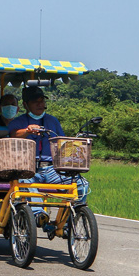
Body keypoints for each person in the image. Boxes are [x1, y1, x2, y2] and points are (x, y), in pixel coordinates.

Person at [8, 86, 89, 229]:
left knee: (82, 184)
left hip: (51, 169)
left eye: (42, 101)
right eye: (35, 102)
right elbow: (14, 134)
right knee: (26, 182)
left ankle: (69, 220)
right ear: (26, 105)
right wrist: (27, 131)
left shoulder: (53, 121)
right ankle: (39, 215)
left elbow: (63, 143)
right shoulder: (18, 122)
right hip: (28, 167)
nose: (40, 104)